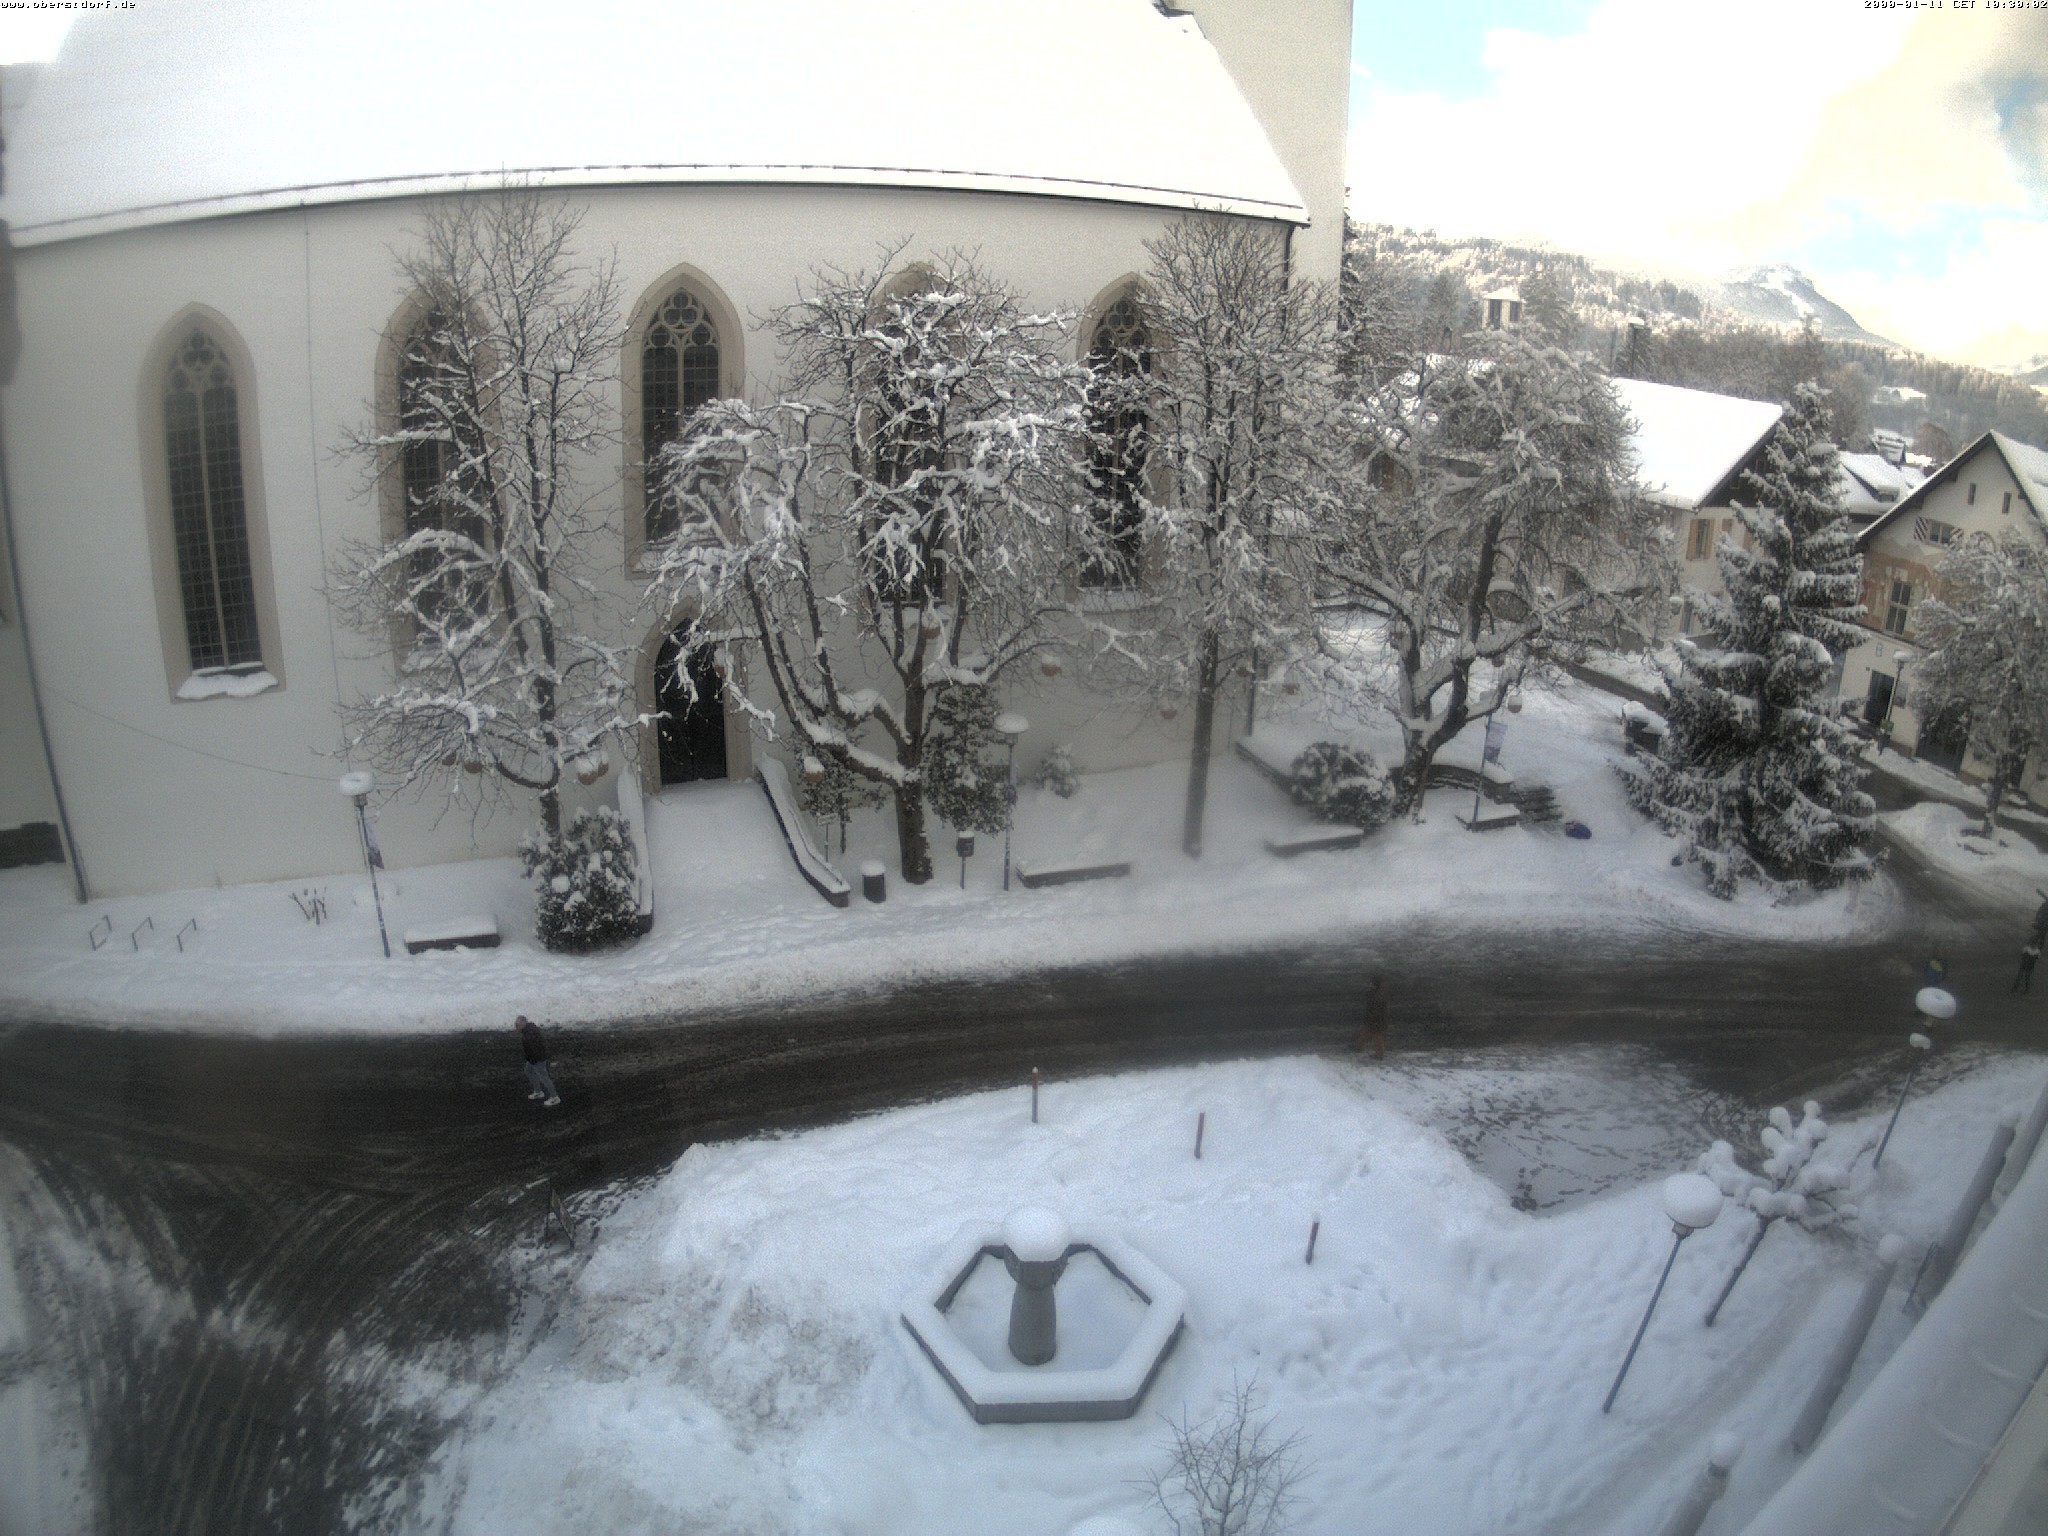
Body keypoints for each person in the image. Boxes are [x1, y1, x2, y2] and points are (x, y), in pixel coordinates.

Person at [517, 1015, 561, 1106]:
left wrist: (533, 1061)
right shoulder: (529, 1030)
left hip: (537, 1059)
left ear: (524, 1023)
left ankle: (554, 1097)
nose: (517, 1027)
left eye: (519, 1024)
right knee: (528, 1071)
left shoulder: (529, 1035)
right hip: (535, 1058)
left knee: (544, 1077)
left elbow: (534, 1050)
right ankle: (538, 1091)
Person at [1355, 975, 1389, 1061]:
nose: (1369, 984)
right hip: (1375, 1018)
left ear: (1375, 984)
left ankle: (1379, 1055)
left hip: (1376, 1019)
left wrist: (1371, 1018)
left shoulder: (1377, 995)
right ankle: (1358, 1047)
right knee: (1366, 1032)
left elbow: (1375, 1009)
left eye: (1371, 983)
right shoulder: (1378, 993)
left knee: (1376, 1036)